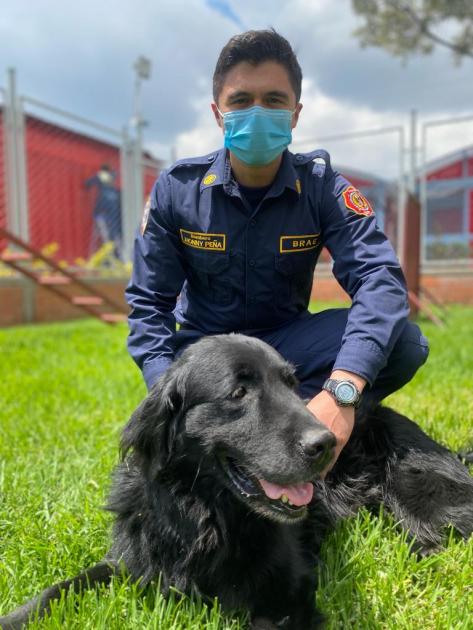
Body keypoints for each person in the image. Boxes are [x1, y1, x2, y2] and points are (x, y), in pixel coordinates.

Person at [125, 29, 429, 473]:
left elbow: (379, 280)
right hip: (208, 349)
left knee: (405, 343)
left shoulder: (321, 187)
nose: (257, 112)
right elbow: (148, 302)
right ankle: (255, 425)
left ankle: (306, 421)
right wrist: (167, 391)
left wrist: (343, 391)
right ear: (218, 113)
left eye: (273, 100)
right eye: (241, 100)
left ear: (295, 114)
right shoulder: (178, 189)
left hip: (286, 350)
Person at [84, 164, 122, 259]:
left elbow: (88, 183)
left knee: (107, 232)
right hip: (114, 210)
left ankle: (111, 253)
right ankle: (116, 254)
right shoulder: (113, 177)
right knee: (113, 232)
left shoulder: (102, 176)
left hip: (103, 210)